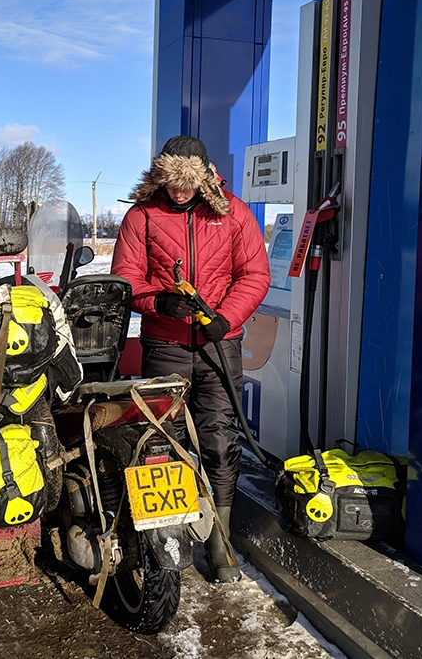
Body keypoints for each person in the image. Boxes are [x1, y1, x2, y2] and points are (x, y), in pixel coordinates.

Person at [111, 135, 270, 583]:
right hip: (165, 347)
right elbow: (126, 279)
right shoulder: (141, 215)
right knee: (165, 443)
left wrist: (226, 317)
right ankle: (171, 543)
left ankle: (220, 543)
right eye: (170, 182)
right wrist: (158, 302)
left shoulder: (233, 213)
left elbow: (254, 275)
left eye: (188, 183)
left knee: (220, 440)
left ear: (204, 178)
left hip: (220, 344)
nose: (179, 192)